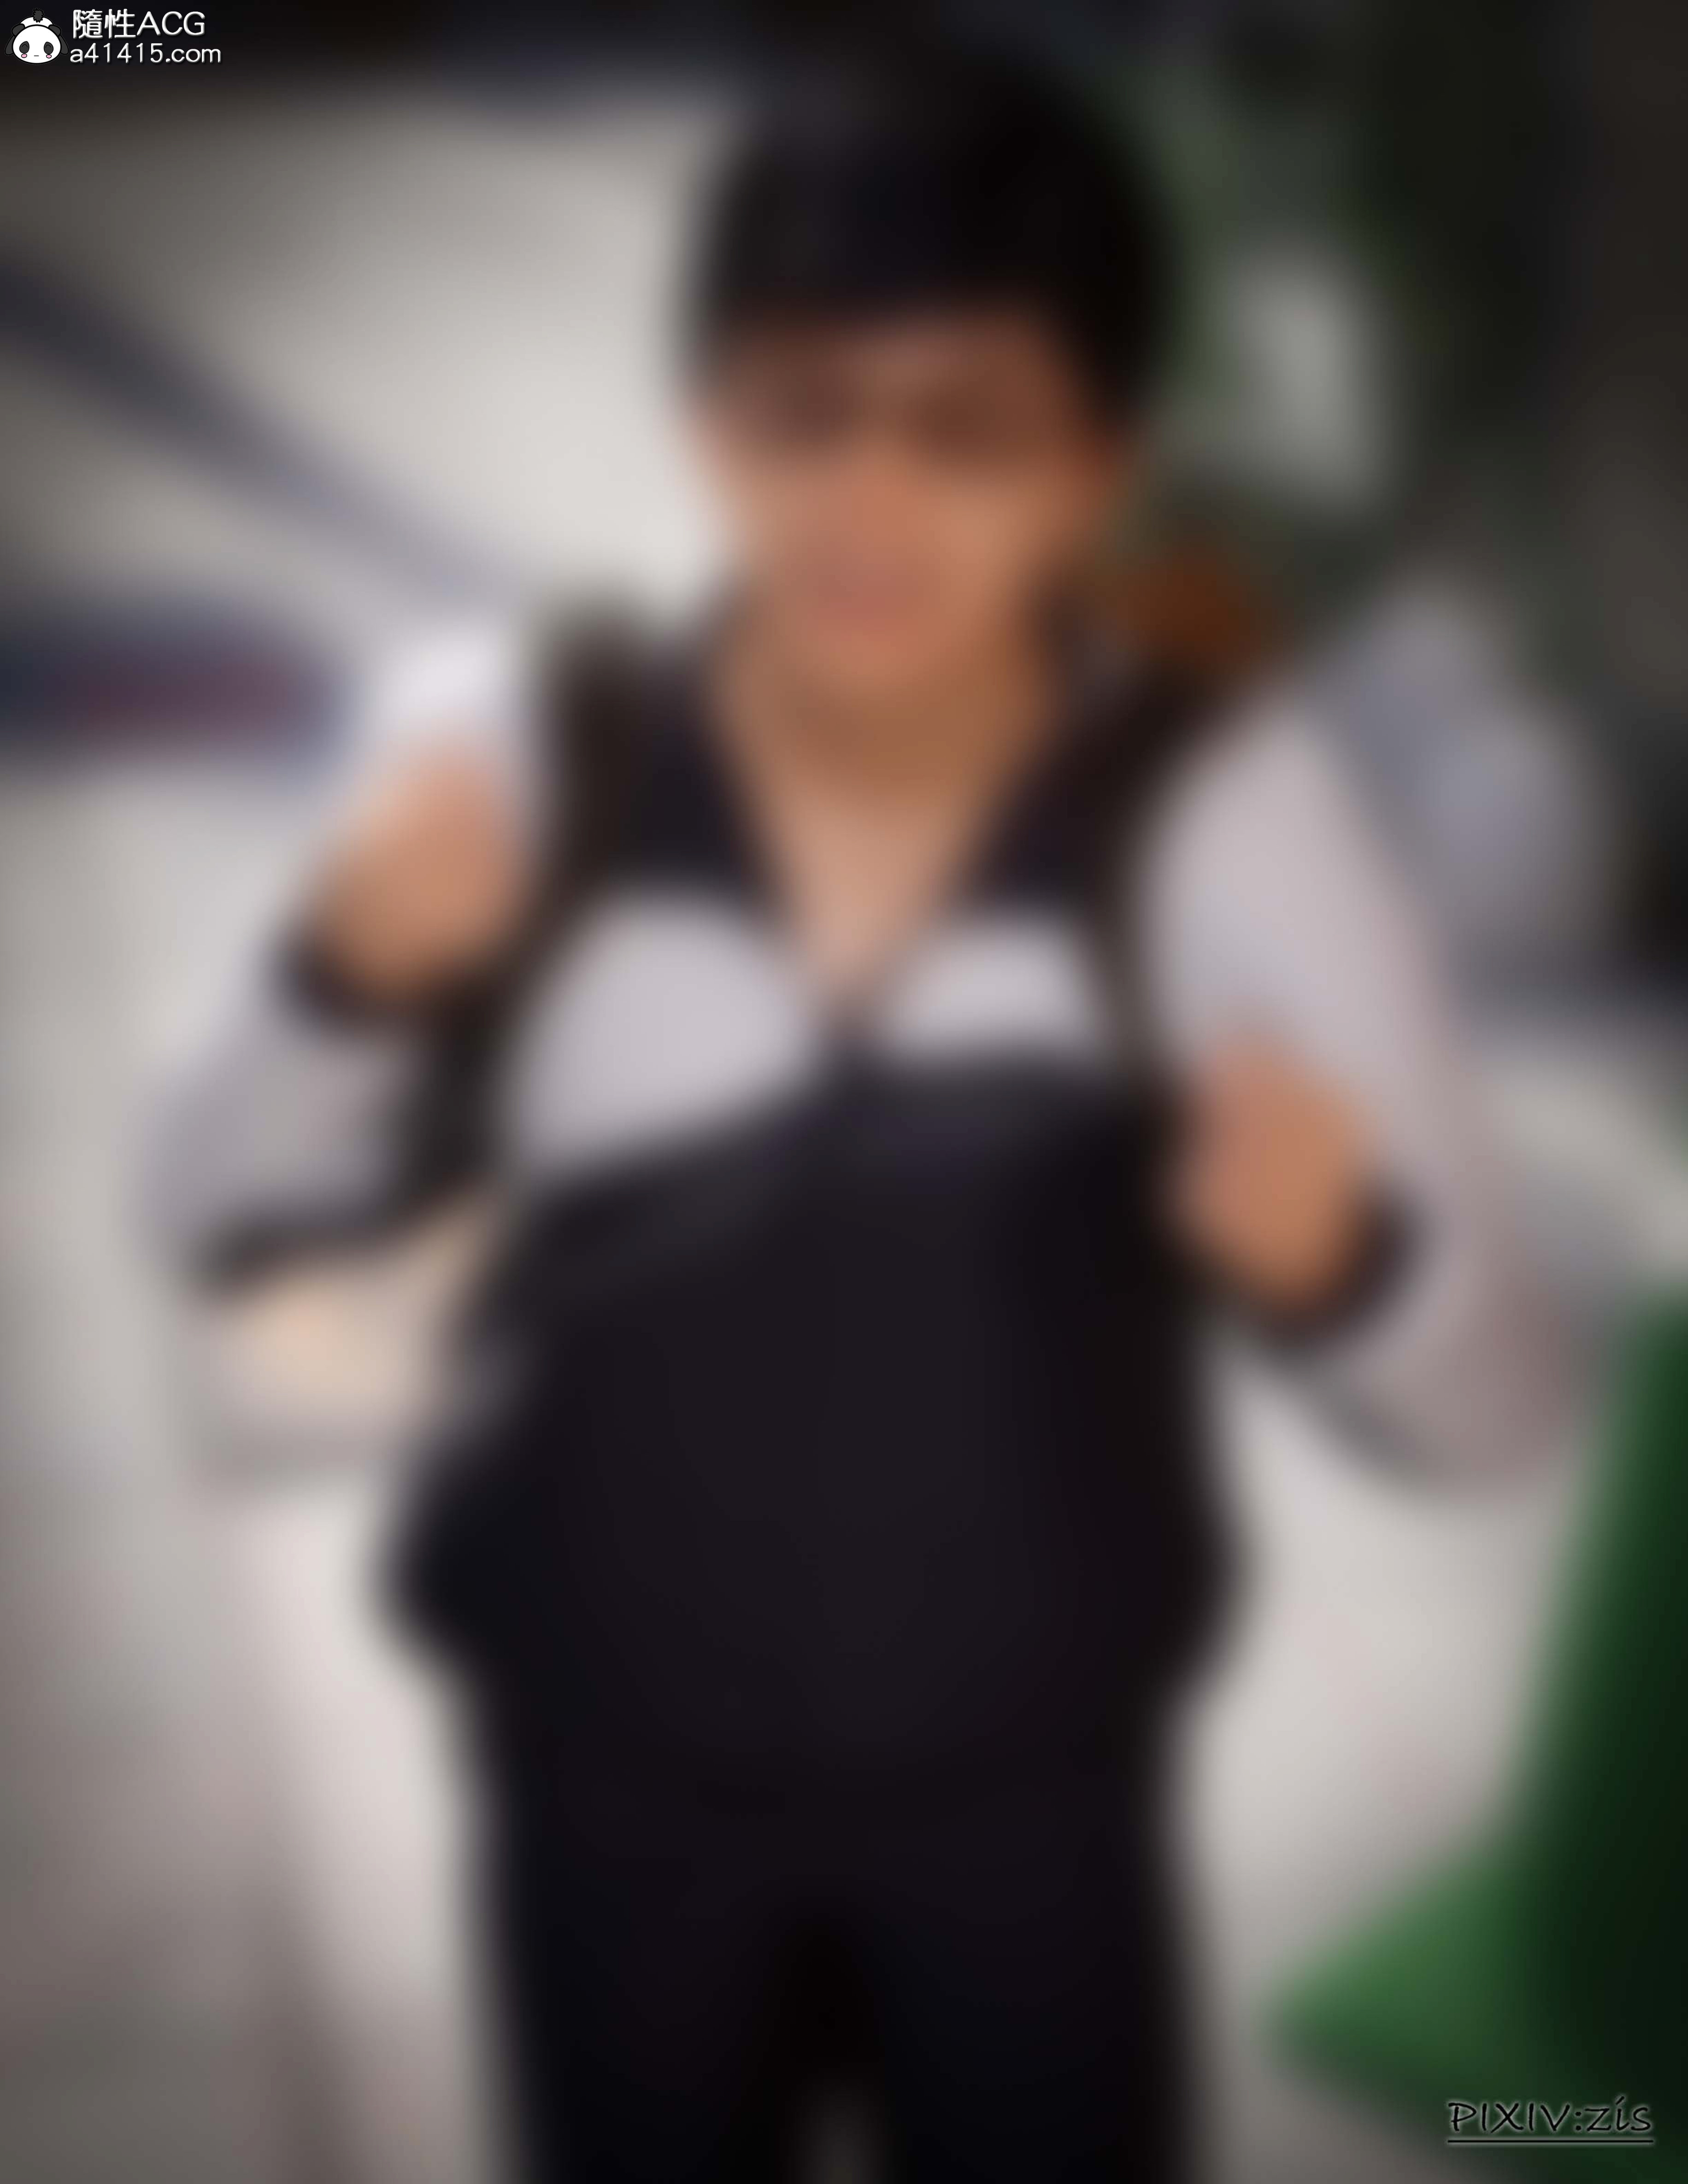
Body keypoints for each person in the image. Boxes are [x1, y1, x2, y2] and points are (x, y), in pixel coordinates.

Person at [141, 48, 1563, 2184]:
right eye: (803, 411)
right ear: (704, 419)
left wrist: (1347, 1269)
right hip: (596, 1809)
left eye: (968, 428)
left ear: (1098, 468)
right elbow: (198, 1200)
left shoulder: (1216, 821)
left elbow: (1510, 1413)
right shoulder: (520, 750)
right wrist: (337, 984)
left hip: (1035, 1834)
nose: (868, 504)